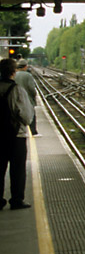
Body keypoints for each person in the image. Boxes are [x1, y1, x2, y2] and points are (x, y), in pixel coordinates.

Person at [0, 58, 34, 210]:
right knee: (18, 169)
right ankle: (17, 199)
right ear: (13, 72)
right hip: (16, 135)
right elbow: (26, 117)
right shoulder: (17, 90)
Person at [15, 59, 38, 135]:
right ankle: (33, 131)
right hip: (28, 98)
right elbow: (31, 88)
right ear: (25, 67)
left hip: (16, 98)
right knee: (32, 114)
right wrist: (34, 95)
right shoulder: (28, 75)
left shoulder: (14, 74)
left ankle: (18, 130)